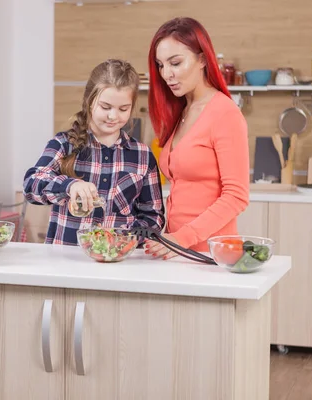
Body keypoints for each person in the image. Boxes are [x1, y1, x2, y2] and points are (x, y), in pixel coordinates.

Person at [23, 59, 165, 246]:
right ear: (89, 101)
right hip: (65, 264)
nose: (113, 116)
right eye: (105, 107)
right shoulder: (64, 144)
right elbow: (31, 185)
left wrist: (124, 239)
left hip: (118, 264)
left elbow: (153, 217)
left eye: (123, 109)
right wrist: (70, 185)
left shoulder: (142, 156)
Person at [144, 17, 250, 260]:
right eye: (160, 65)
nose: (166, 74)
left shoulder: (225, 113)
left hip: (209, 254)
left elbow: (237, 196)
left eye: (176, 63)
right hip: (175, 248)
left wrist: (182, 238)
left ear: (202, 59)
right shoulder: (182, 111)